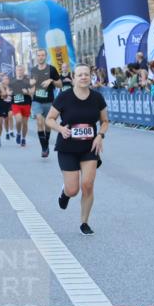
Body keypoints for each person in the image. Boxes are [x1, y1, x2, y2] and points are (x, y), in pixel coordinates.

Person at [46, 64, 108, 235]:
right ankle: (65, 193)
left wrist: (100, 135)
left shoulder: (97, 98)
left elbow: (105, 121)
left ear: (90, 77)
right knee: (73, 190)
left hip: (90, 147)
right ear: (73, 78)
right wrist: (60, 129)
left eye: (86, 74)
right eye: (80, 75)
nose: (83, 77)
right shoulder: (64, 97)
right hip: (68, 147)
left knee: (87, 185)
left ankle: (84, 222)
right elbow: (49, 119)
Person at [30, 48, 62, 158]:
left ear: (46, 56)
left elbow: (60, 85)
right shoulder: (33, 70)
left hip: (49, 101)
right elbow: (31, 84)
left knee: (48, 125)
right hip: (37, 101)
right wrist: (31, 85)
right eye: (38, 55)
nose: (40, 57)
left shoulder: (52, 69)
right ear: (36, 57)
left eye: (42, 55)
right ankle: (44, 148)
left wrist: (51, 80)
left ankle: (46, 143)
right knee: (39, 121)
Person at [8, 64, 32, 147]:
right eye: (18, 70)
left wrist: (27, 92)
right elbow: (8, 92)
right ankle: (18, 133)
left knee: (25, 123)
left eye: (21, 70)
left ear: (23, 71)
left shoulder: (27, 81)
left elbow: (32, 93)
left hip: (26, 104)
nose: (19, 71)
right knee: (18, 120)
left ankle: (23, 138)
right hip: (16, 104)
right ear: (15, 71)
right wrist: (10, 93)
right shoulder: (12, 81)